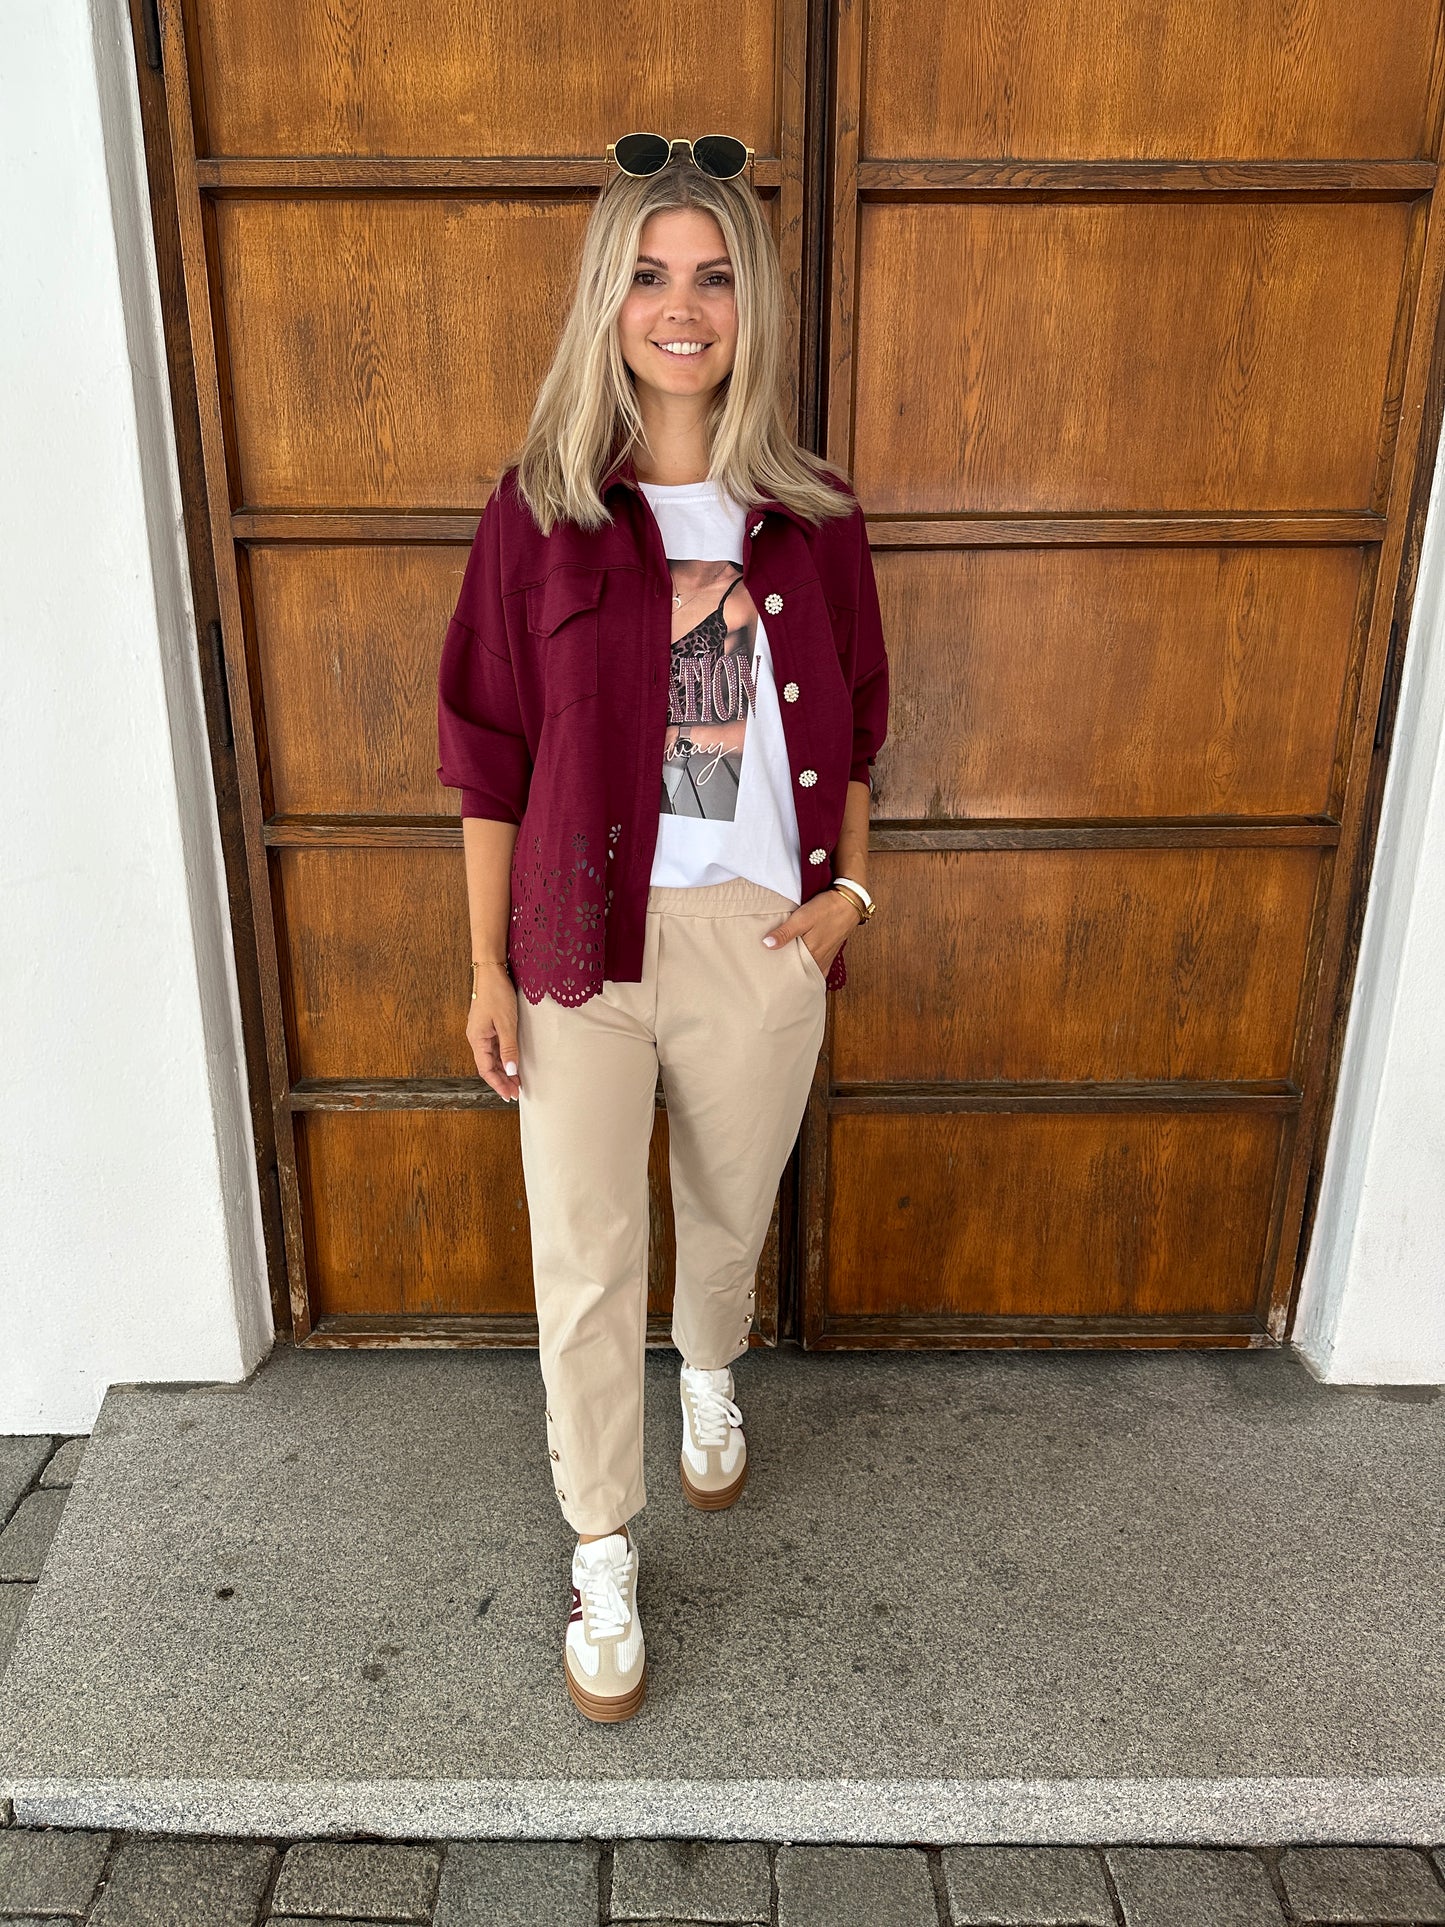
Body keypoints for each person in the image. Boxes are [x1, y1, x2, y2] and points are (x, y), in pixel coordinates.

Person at [436, 132, 889, 1722]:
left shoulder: (812, 516)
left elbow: (861, 724)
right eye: (645, 275)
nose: (678, 307)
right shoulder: (540, 512)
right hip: (578, 941)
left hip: (757, 939)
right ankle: (600, 1544)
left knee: (724, 1210)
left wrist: (844, 899)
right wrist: (486, 964)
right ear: (605, 302)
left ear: (747, 303)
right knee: (582, 1254)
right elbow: (487, 748)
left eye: (708, 276)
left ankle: (707, 1369)